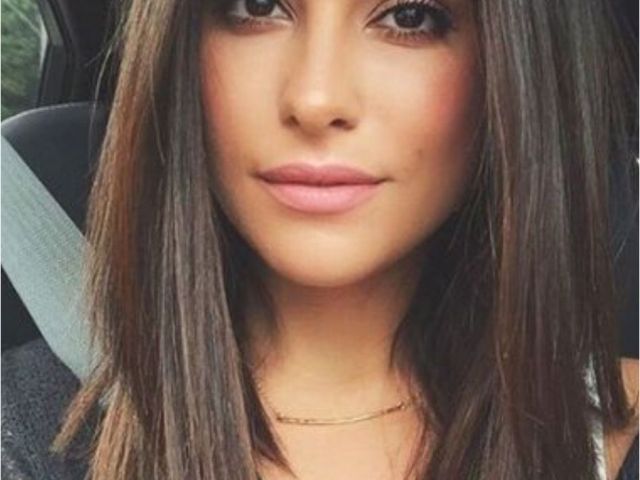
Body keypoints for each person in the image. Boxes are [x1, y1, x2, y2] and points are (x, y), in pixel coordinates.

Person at [2, 0, 638, 479]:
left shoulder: (616, 437)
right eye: (257, 6)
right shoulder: (22, 427)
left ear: (514, 71)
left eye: (410, 16)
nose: (314, 98)